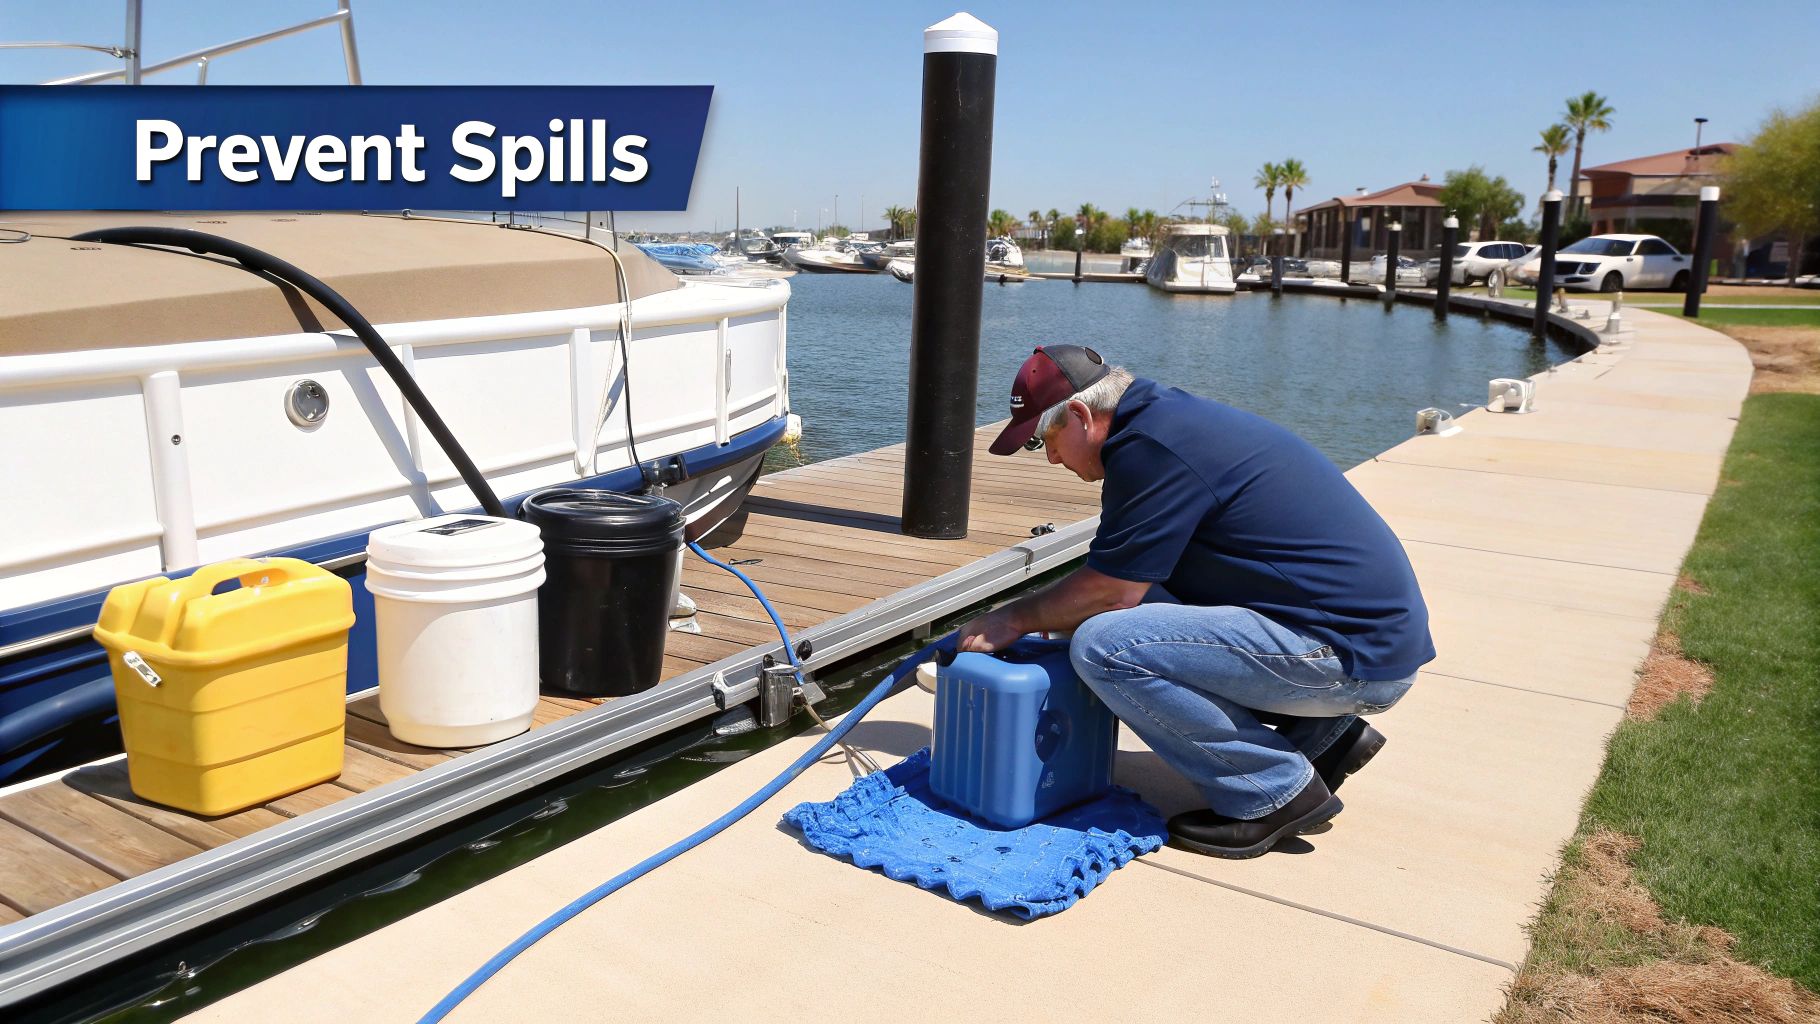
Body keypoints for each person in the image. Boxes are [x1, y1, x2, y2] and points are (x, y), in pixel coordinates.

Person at [956, 345, 1434, 859]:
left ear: (1079, 416)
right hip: (1357, 638)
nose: (1050, 457)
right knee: (1107, 612)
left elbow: (1109, 593)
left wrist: (1012, 617)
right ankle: (1321, 730)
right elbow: (1122, 583)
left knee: (1103, 645)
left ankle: (1273, 792)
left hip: (1351, 656)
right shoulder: (1166, 422)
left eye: (1044, 440)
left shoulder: (1151, 449)